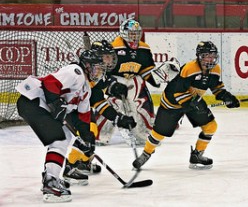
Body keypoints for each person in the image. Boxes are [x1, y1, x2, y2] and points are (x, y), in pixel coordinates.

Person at [15, 47, 113, 203]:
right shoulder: (76, 71)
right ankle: (50, 183)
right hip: (32, 101)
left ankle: (51, 175)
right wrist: (55, 103)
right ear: (87, 66)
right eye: (97, 68)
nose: (99, 73)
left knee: (65, 136)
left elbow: (83, 117)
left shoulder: (86, 89)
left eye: (101, 70)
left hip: (39, 106)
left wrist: (87, 140)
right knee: (59, 140)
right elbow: (50, 83)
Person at [132, 41, 240, 170]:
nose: (211, 59)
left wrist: (227, 97)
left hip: (193, 100)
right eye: (207, 56)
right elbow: (178, 91)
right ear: (200, 56)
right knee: (159, 133)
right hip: (172, 103)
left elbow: (216, 86)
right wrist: (190, 104)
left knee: (211, 126)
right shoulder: (189, 69)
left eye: (213, 56)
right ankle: (146, 153)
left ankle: (197, 155)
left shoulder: (215, 70)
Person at [64, 40, 137, 184]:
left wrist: (118, 117)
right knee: (86, 137)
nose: (110, 60)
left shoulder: (97, 73)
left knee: (91, 133)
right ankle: (70, 166)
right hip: (68, 108)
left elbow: (98, 97)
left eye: (111, 57)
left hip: (82, 108)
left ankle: (83, 162)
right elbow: (96, 99)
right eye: (106, 57)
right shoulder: (79, 74)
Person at [96, 18, 161, 146]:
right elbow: (104, 72)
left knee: (141, 104)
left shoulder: (144, 48)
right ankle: (100, 134)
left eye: (136, 33)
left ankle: (144, 134)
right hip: (116, 80)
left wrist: (155, 81)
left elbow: (146, 71)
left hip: (135, 81)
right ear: (123, 33)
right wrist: (111, 85)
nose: (134, 36)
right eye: (131, 33)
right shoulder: (113, 47)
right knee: (114, 104)